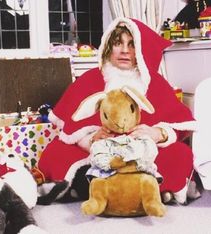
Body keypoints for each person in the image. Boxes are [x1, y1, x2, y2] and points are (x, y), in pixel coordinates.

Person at [38, 17, 199, 204]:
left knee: (180, 154)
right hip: (99, 152)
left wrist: (159, 133)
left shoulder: (155, 82)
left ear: (140, 49)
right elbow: (70, 127)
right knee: (55, 152)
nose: (124, 51)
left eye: (132, 45)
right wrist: (90, 139)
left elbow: (178, 123)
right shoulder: (90, 78)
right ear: (108, 46)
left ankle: (103, 188)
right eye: (118, 43)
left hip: (142, 151)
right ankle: (140, 189)